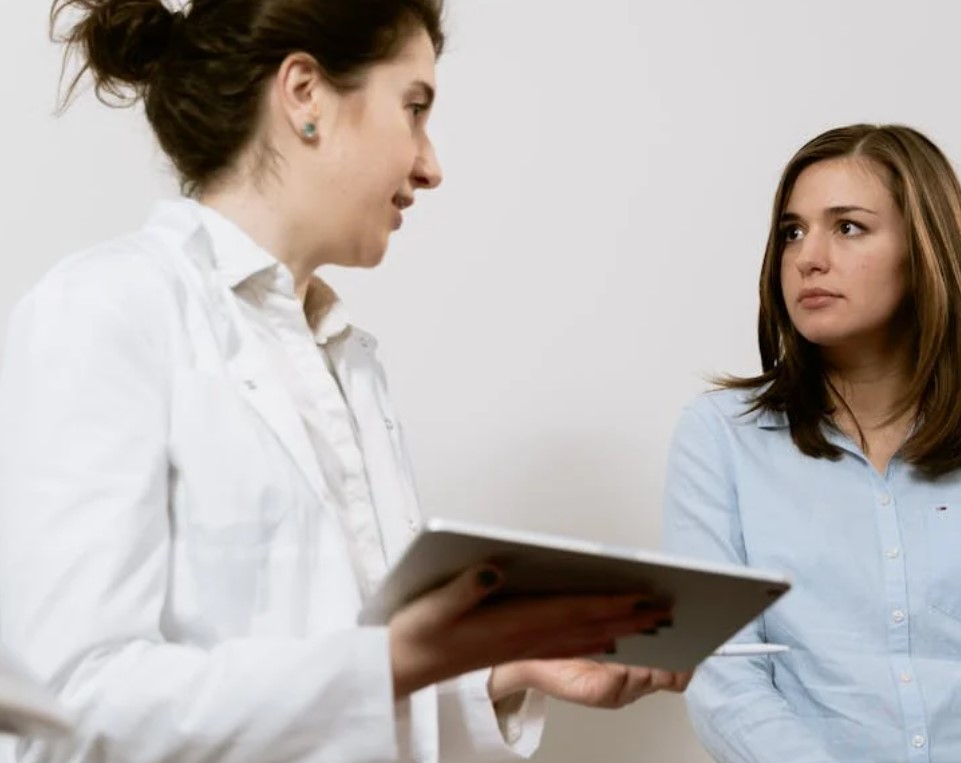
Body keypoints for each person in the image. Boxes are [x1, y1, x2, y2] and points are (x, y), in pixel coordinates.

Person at [0, 1, 691, 761]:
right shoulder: (105, 309)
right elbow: (66, 707)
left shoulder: (343, 358)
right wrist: (395, 658)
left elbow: (341, 698)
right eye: (414, 109)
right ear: (305, 94)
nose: (430, 165)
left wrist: (503, 666)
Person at [662, 123, 961, 763]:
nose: (808, 257)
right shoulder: (721, 438)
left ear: (925, 250)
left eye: (849, 227)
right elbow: (724, 676)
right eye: (792, 232)